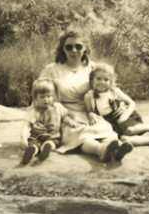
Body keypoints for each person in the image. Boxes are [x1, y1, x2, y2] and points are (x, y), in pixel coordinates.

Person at [35, 29, 132, 162]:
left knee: (104, 128)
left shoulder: (92, 68)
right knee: (79, 133)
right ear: (62, 49)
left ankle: (117, 148)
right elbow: (38, 93)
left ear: (85, 48)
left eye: (78, 46)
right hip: (66, 113)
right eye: (69, 47)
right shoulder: (52, 69)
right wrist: (37, 117)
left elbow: (111, 88)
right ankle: (101, 150)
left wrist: (121, 104)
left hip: (91, 110)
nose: (74, 50)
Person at [84, 62, 149, 148]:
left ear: (110, 81)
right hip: (112, 123)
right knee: (124, 139)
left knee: (129, 130)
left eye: (106, 79)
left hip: (126, 118)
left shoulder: (114, 91)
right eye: (98, 78)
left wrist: (124, 116)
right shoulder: (89, 96)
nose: (102, 82)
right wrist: (91, 114)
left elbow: (132, 103)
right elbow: (90, 111)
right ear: (92, 80)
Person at [21, 79, 77, 165]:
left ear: (53, 96)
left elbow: (64, 117)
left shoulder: (57, 107)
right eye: (42, 97)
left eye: (49, 96)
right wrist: (23, 138)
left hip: (53, 136)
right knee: (34, 144)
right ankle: (32, 151)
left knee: (52, 143)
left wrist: (70, 122)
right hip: (37, 137)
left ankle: (46, 149)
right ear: (36, 98)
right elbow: (27, 125)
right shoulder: (35, 111)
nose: (46, 100)